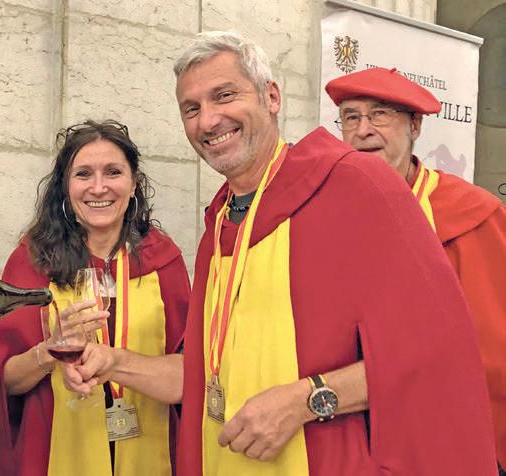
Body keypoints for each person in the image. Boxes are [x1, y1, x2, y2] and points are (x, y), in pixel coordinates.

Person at [173, 31, 497, 475]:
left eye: (224, 95)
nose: (208, 120)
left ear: (272, 97)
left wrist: (307, 399)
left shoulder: (356, 185)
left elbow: (437, 354)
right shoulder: (222, 214)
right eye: (191, 109)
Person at [0, 120, 190, 476]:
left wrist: (117, 363)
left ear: (133, 183)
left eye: (113, 172)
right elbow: (5, 381)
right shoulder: (32, 261)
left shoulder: (163, 260)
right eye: (84, 174)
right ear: (65, 186)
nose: (98, 187)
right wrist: (49, 351)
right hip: (53, 454)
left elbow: (188, 378)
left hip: (152, 453)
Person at [325, 66, 506, 473]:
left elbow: (494, 348)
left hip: (446, 435)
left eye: (380, 114)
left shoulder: (472, 215)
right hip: (353, 432)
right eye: (351, 117)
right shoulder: (328, 212)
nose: (363, 130)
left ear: (415, 126)